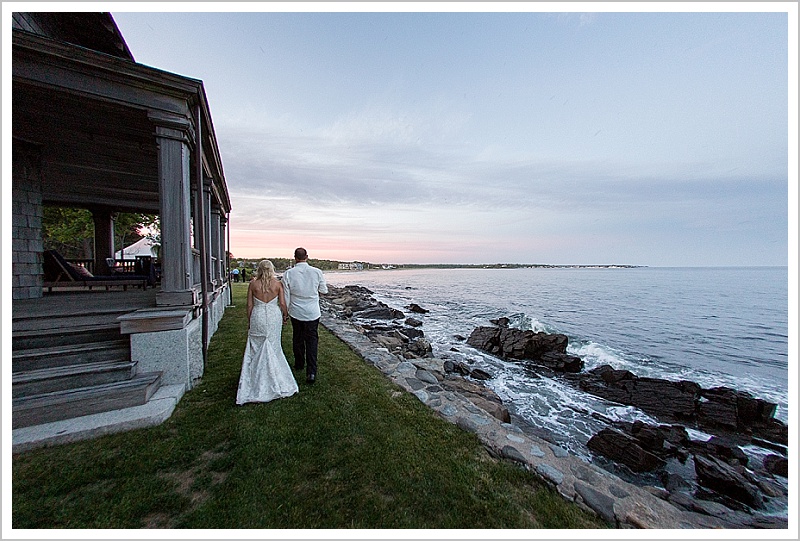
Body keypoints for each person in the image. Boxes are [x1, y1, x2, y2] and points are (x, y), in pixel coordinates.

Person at [236, 259, 298, 404]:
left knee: (256, 346)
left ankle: (255, 379)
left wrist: (250, 321)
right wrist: (285, 315)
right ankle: (276, 378)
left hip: (258, 315)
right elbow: (282, 303)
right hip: (273, 316)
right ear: (271, 269)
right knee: (274, 345)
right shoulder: (277, 284)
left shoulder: (252, 284)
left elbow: (249, 305)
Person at [282, 247, 328, 383]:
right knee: (312, 341)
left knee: (298, 338)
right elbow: (324, 290)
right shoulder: (317, 272)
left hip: (296, 311)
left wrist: (286, 312)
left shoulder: (289, 273)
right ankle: (311, 372)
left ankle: (299, 363)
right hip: (312, 312)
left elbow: (286, 295)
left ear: (295, 257)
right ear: (307, 256)